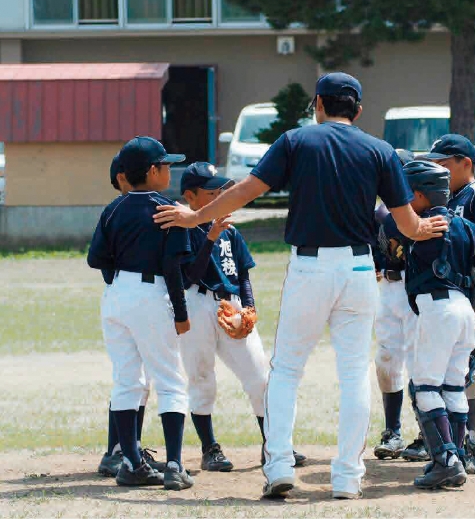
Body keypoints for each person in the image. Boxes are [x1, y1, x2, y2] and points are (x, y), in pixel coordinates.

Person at [152, 72, 448, 499]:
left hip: (310, 266)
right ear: (358, 110)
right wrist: (425, 228)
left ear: (318, 104)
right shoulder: (380, 150)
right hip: (359, 269)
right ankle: (347, 477)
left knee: (288, 369)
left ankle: (278, 466)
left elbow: (246, 191)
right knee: (353, 373)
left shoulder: (295, 140)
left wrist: (195, 217)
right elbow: (407, 223)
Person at [177, 161, 306, 472]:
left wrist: (249, 307)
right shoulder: (182, 230)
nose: (220, 197)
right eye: (212, 192)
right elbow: (189, 277)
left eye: (221, 191)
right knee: (201, 377)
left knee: (260, 377)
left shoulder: (230, 231)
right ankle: (210, 449)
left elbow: (243, 274)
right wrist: (210, 237)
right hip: (196, 303)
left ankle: (273, 444)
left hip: (231, 304)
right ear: (190, 196)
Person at [88, 136, 193, 491]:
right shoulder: (169, 209)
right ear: (151, 171)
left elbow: (96, 259)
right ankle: (175, 465)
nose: (169, 170)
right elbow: (172, 266)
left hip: (116, 294)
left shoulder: (113, 208)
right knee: (170, 379)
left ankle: (131, 463)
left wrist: (121, 279)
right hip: (152, 293)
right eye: (165, 165)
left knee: (127, 380)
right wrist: (181, 312)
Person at [382, 160, 475, 489]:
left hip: (437, 308)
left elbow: (388, 237)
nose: (403, 202)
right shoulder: (467, 226)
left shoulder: (416, 226)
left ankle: (445, 461)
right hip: (464, 310)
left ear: (420, 195)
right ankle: (455, 457)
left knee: (426, 387)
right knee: (453, 386)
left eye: (407, 194)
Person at [419, 134, 475, 474]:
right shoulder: (450, 196)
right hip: (456, 288)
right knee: (454, 369)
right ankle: (455, 443)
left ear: (465, 163)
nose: (437, 170)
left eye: (443, 164)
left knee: (473, 366)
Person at [97, 154, 166, 478]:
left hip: (122, 298)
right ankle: (118, 451)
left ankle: (129, 450)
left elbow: (100, 259)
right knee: (132, 380)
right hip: (138, 298)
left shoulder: (119, 212)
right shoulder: (125, 211)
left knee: (136, 380)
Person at [372, 149, 428, 462]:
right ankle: (392, 432)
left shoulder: (422, 210)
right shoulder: (380, 212)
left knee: (420, 359)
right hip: (388, 288)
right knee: (386, 358)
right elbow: (374, 249)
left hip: (415, 286)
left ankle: (426, 433)